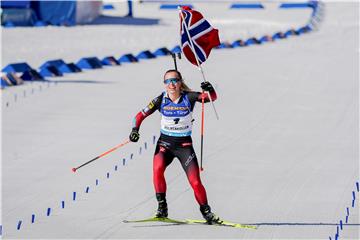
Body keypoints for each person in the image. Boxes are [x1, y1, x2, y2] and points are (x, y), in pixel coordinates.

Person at [129, 69, 221, 224]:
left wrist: (210, 89)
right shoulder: (160, 100)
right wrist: (135, 130)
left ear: (180, 82)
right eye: (167, 81)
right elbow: (139, 116)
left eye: (174, 80)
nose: (171, 84)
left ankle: (207, 212)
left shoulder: (189, 97)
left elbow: (211, 99)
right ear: (164, 84)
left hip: (184, 146)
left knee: (195, 182)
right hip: (165, 144)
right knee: (157, 169)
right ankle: (162, 207)